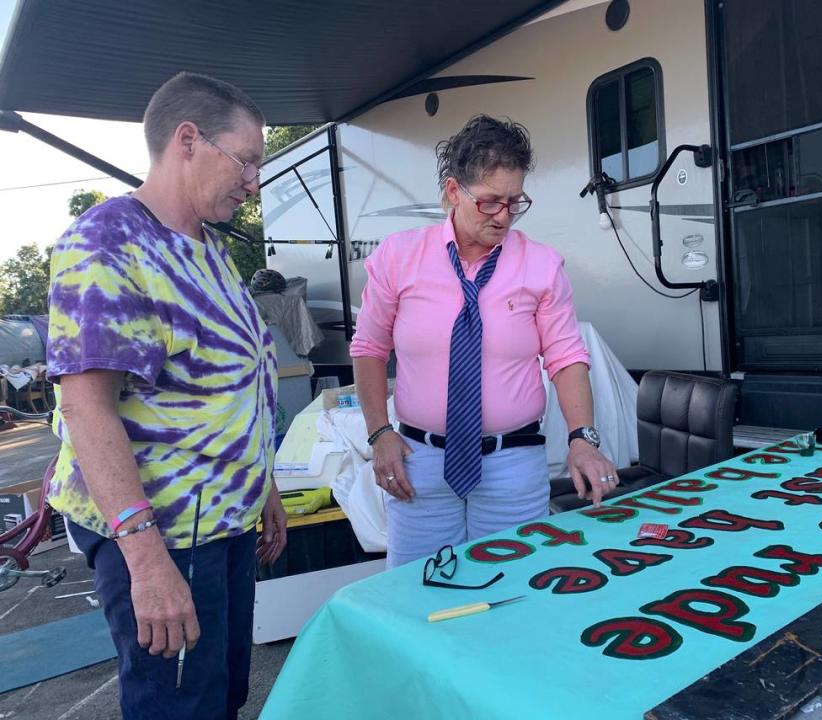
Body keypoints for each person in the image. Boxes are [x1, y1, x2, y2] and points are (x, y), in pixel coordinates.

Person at [45, 72, 287, 720]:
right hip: (166, 533)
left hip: (223, 522)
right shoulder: (108, 242)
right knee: (179, 709)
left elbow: (225, 384)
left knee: (224, 696)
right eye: (247, 159)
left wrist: (261, 487)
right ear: (188, 140)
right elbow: (86, 406)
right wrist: (146, 561)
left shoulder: (210, 250)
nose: (253, 181)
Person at [351, 114, 618, 569]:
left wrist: (582, 438)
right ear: (454, 192)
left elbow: (566, 357)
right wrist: (380, 434)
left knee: (512, 589)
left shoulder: (541, 265)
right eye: (492, 202)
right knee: (420, 594)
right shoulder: (398, 257)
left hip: (512, 467)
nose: (505, 215)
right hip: (421, 464)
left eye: (516, 202)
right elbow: (369, 349)